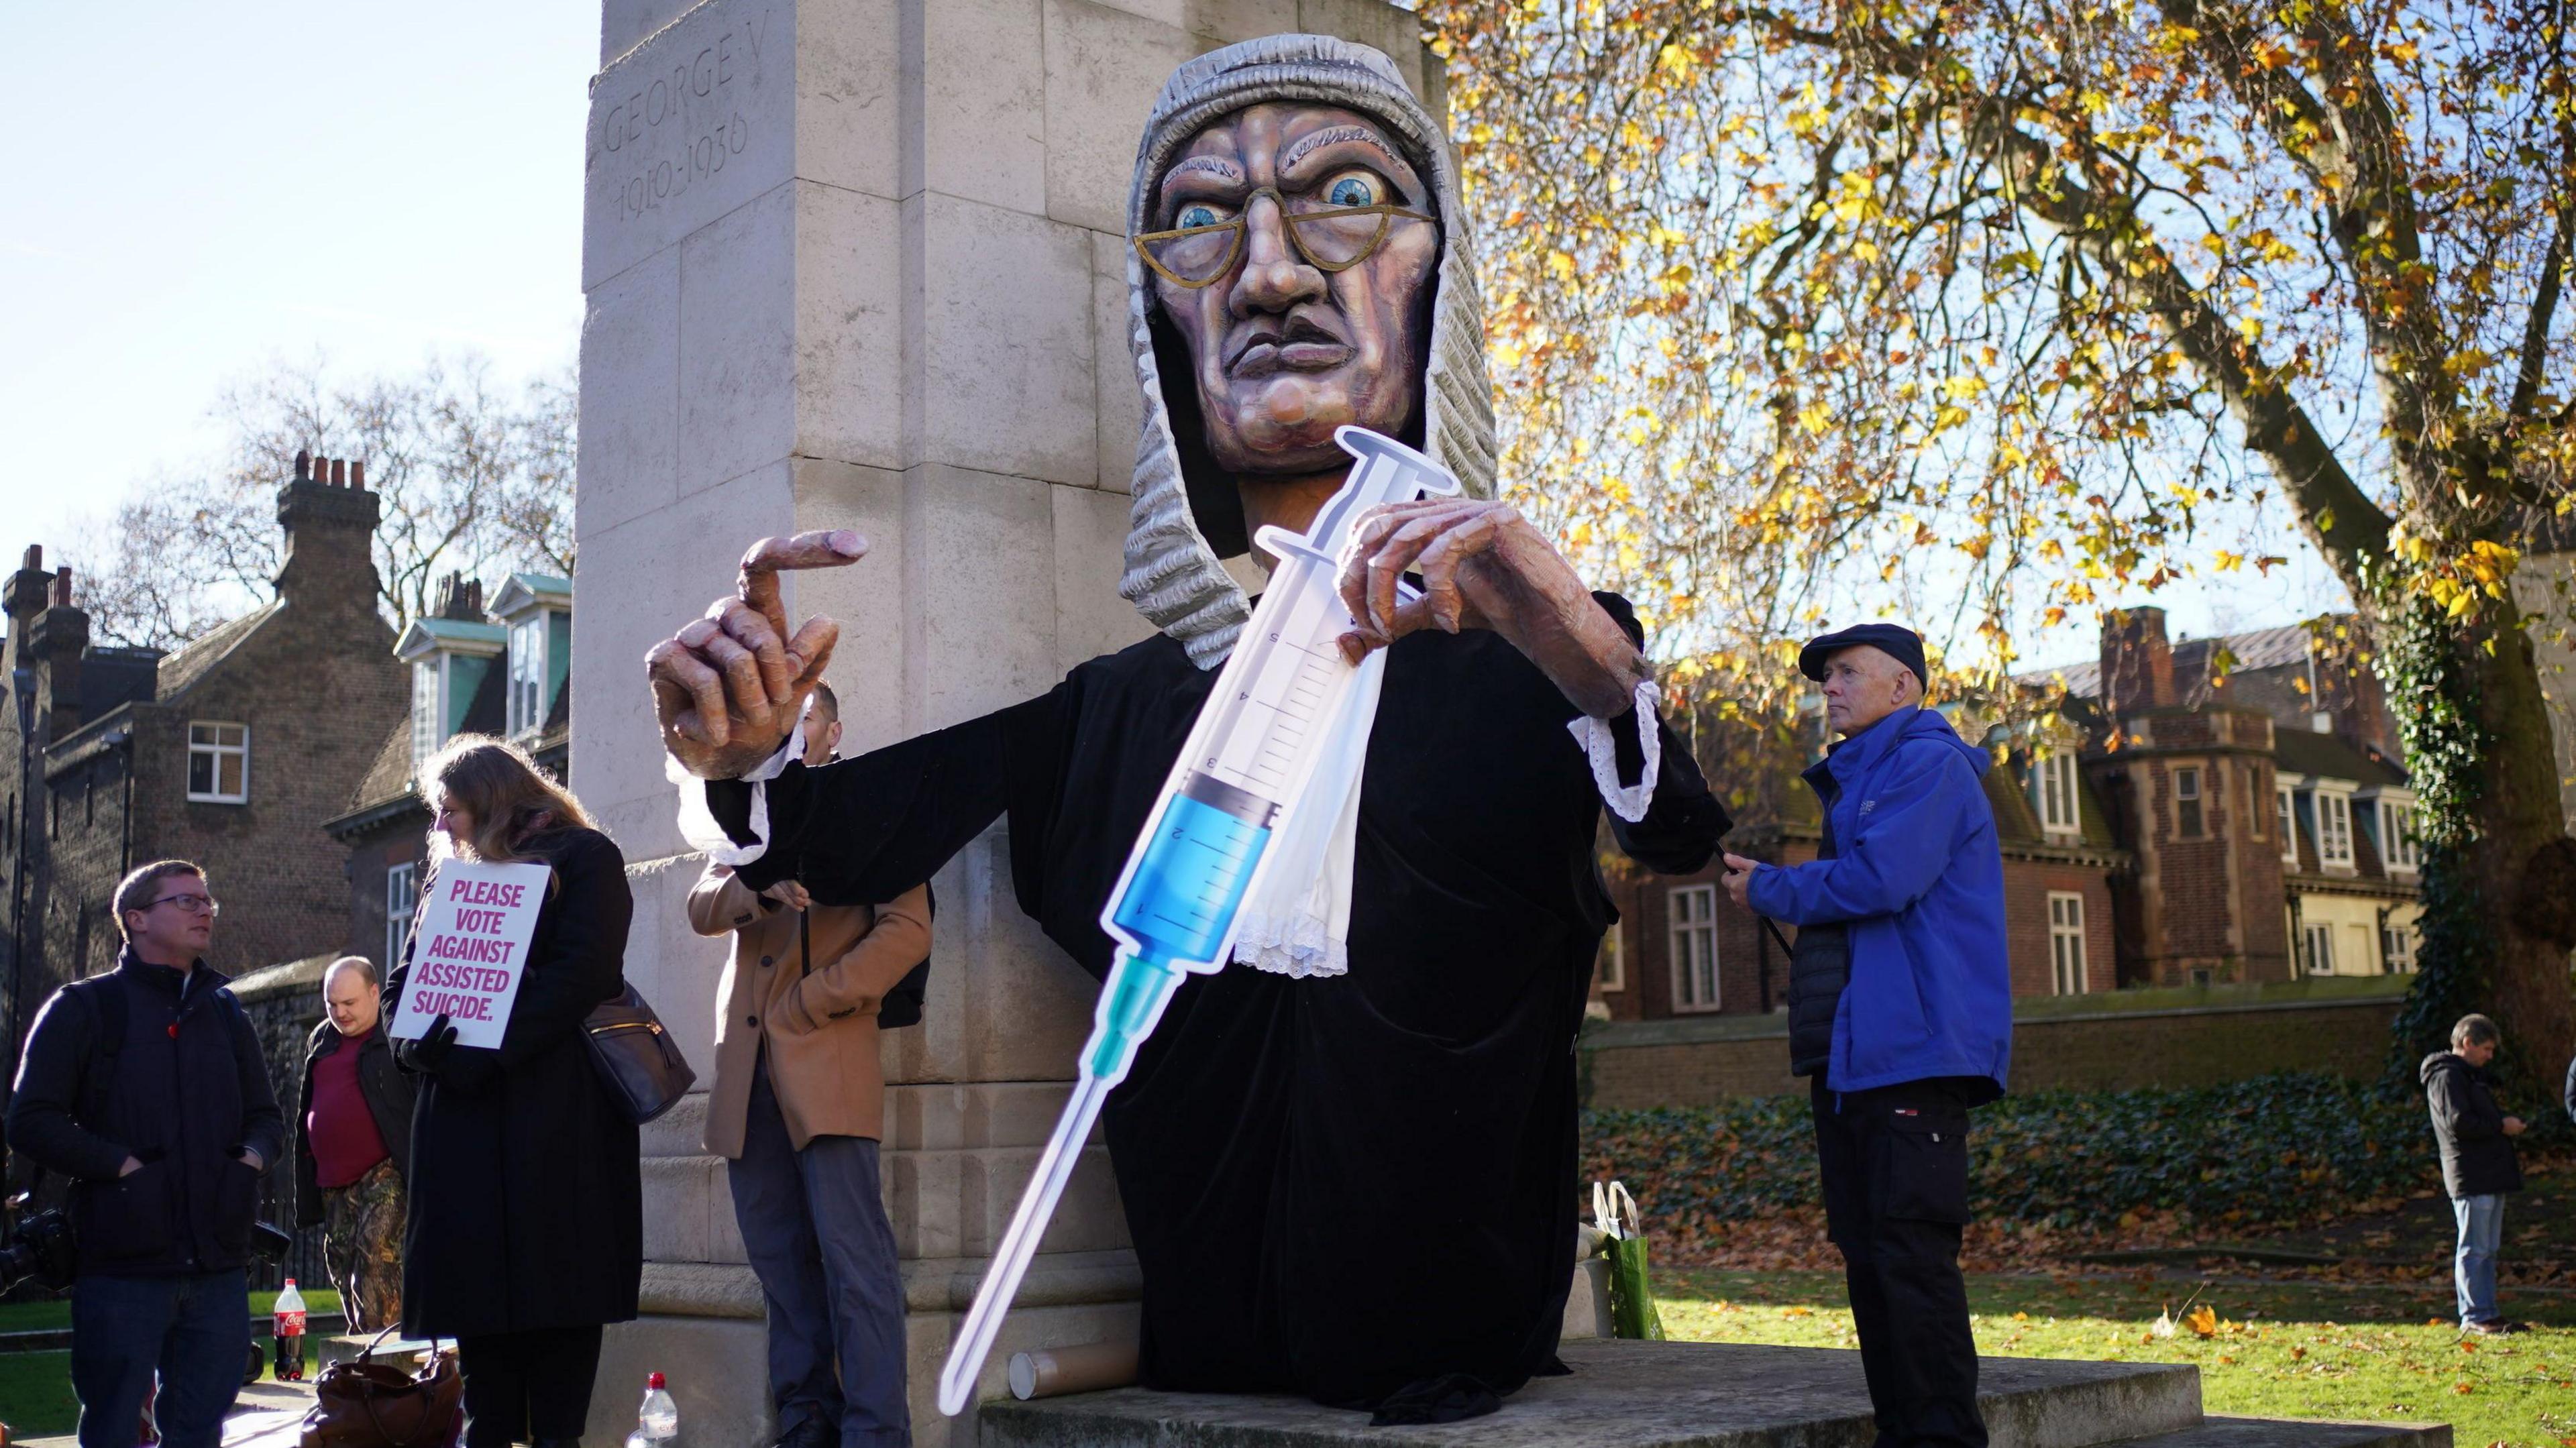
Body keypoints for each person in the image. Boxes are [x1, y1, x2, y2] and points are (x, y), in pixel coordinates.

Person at [642, 35, 1725, 1421]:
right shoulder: (1122, 705)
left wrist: (1572, 632)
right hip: (1213, 1334)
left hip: (1452, 1327)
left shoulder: (1538, 660)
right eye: (1204, 226)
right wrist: (728, 758)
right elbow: (834, 828)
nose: (1271, 271)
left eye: (1345, 196)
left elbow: (1679, 825)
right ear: (1163, 328)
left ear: (1438, 281)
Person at [1720, 624, 2008, 1448]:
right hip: (1855, 1060)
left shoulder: (1927, 763)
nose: (1830, 688)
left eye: (1848, 672)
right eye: (1825, 678)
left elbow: (1883, 879)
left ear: (1904, 688)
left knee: (1910, 1259)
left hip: (1911, 1057)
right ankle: (1905, 1433)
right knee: (1873, 1259)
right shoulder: (1865, 777)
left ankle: (1944, 1438)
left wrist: (1773, 886)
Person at [688, 681, 932, 1448]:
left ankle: (875, 1432)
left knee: (857, 1267)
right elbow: (701, 904)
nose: (792, 735)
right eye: (780, 725)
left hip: (827, 1065)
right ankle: (804, 1422)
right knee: (779, 1268)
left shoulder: (873, 810)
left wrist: (815, 1000)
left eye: (805, 721)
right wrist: (755, 889)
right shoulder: (741, 814)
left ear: (834, 730)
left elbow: (906, 932)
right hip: (745, 1073)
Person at [386, 736, 642, 1447]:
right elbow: (403, 985)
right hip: (464, 1135)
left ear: (493, 799)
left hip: (556, 1122)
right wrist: (417, 1044)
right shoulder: (451, 882)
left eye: (451, 810)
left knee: (559, 1353)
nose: (440, 828)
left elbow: (584, 973)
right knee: (487, 1393)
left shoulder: (587, 859)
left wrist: (488, 1052)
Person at [4, 860, 286, 1448]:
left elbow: (266, 1117)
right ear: (136, 919)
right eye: (185, 900)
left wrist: (248, 1163)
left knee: (199, 1430)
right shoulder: (84, 1008)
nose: (204, 909)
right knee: (111, 1427)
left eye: (208, 900)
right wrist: (121, 1165)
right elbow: (30, 1121)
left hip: (217, 1265)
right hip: (122, 1265)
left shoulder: (225, 1012)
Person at [292, 956, 419, 1333]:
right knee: (343, 1262)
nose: (340, 1013)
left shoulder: (395, 1033)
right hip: (334, 1180)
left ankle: (384, 1360)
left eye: (350, 1003)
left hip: (385, 1169)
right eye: (332, 1004)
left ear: (374, 992)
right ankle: (363, 1353)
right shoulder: (322, 1038)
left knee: (376, 1255)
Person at [2421, 1013, 2527, 1335]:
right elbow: (2459, 1123)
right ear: (2467, 1042)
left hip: (2486, 1172)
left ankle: (2487, 1312)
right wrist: (2501, 1126)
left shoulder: (2466, 1076)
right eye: (2487, 1049)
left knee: (2487, 1247)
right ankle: (2475, 1314)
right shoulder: (2448, 1077)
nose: (2489, 1056)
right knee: (2475, 1247)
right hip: (2471, 1173)